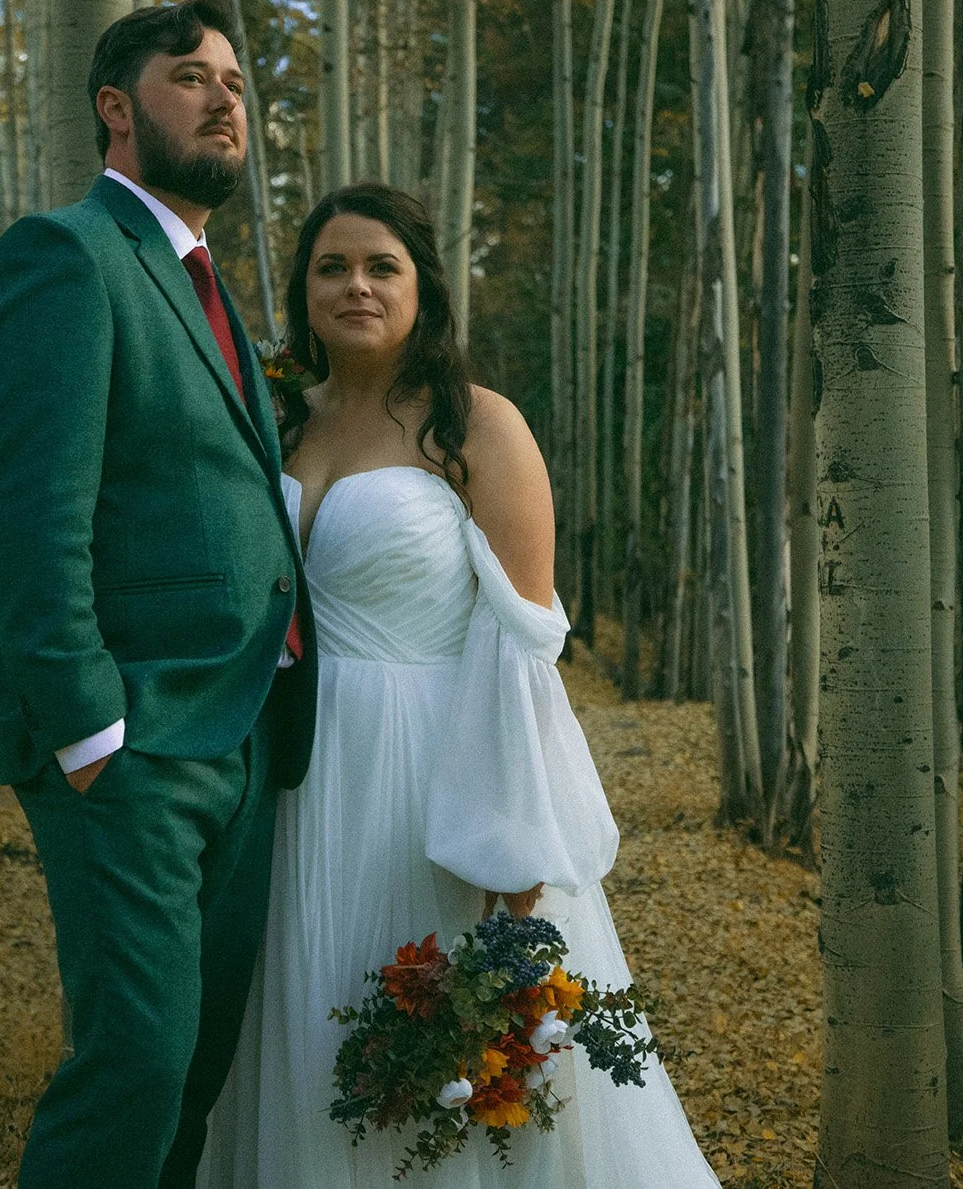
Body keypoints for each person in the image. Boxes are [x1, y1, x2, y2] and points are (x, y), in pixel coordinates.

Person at [197, 184, 721, 1187]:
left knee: (440, 1048)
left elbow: (521, 646)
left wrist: (512, 851)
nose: (355, 283)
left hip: (430, 772)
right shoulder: (275, 420)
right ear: (302, 288)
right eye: (331, 266)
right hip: (288, 778)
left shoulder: (475, 424)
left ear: (420, 286)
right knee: (305, 1034)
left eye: (379, 265)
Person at [0, 0, 317, 1189]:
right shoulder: (64, 256)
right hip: (134, 743)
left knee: (197, 1067)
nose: (225, 98)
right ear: (117, 108)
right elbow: (30, 515)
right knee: (134, 1065)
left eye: (233, 78)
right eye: (189, 77)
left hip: (240, 734)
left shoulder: (203, 281)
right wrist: (87, 727)